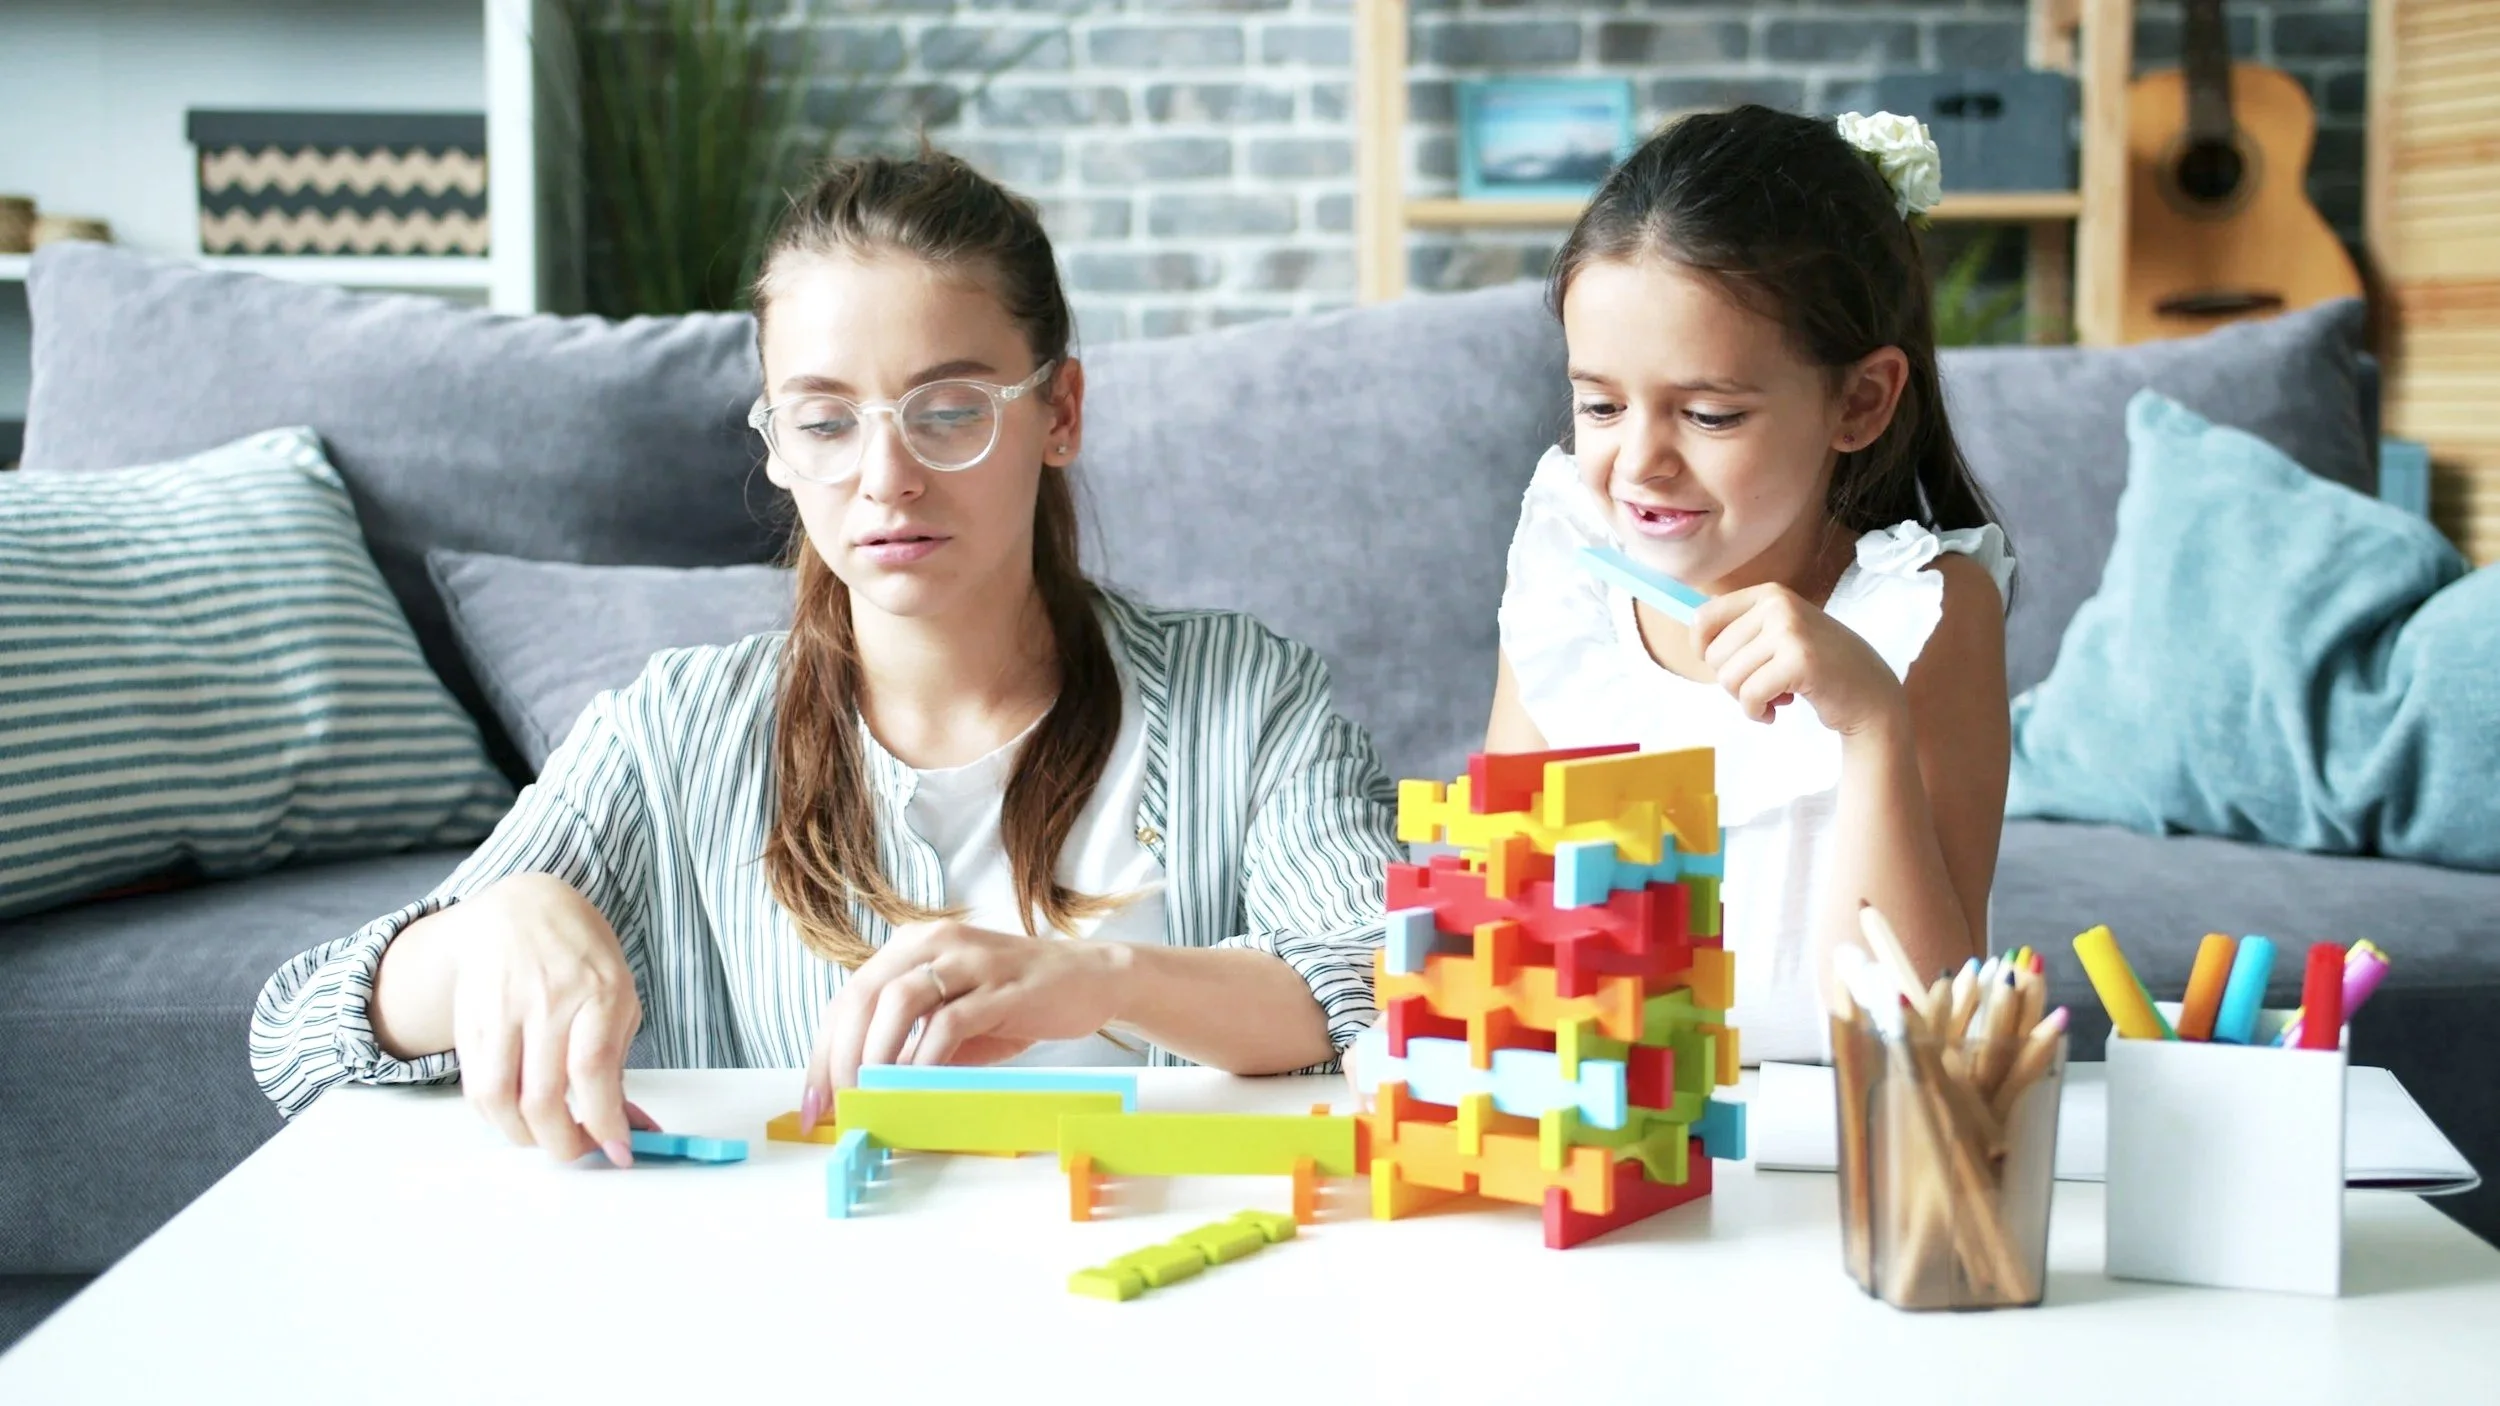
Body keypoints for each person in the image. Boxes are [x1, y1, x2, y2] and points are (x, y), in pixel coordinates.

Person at [251, 150, 1402, 1166]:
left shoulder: (1246, 696)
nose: (886, 478)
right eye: (824, 420)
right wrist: (497, 923)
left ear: (1060, 411)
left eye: (948, 409)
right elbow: (294, 1036)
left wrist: (1095, 979)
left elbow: (1390, 975)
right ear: (776, 443)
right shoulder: (674, 730)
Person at [1489, 107, 2016, 1064]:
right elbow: (1501, 942)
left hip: (1836, 1129)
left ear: (1860, 401)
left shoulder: (1926, 610)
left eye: (1709, 415)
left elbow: (1922, 1038)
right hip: (1610, 1124)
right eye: (1600, 405)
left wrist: (1870, 721)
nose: (1638, 462)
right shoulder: (1569, 583)